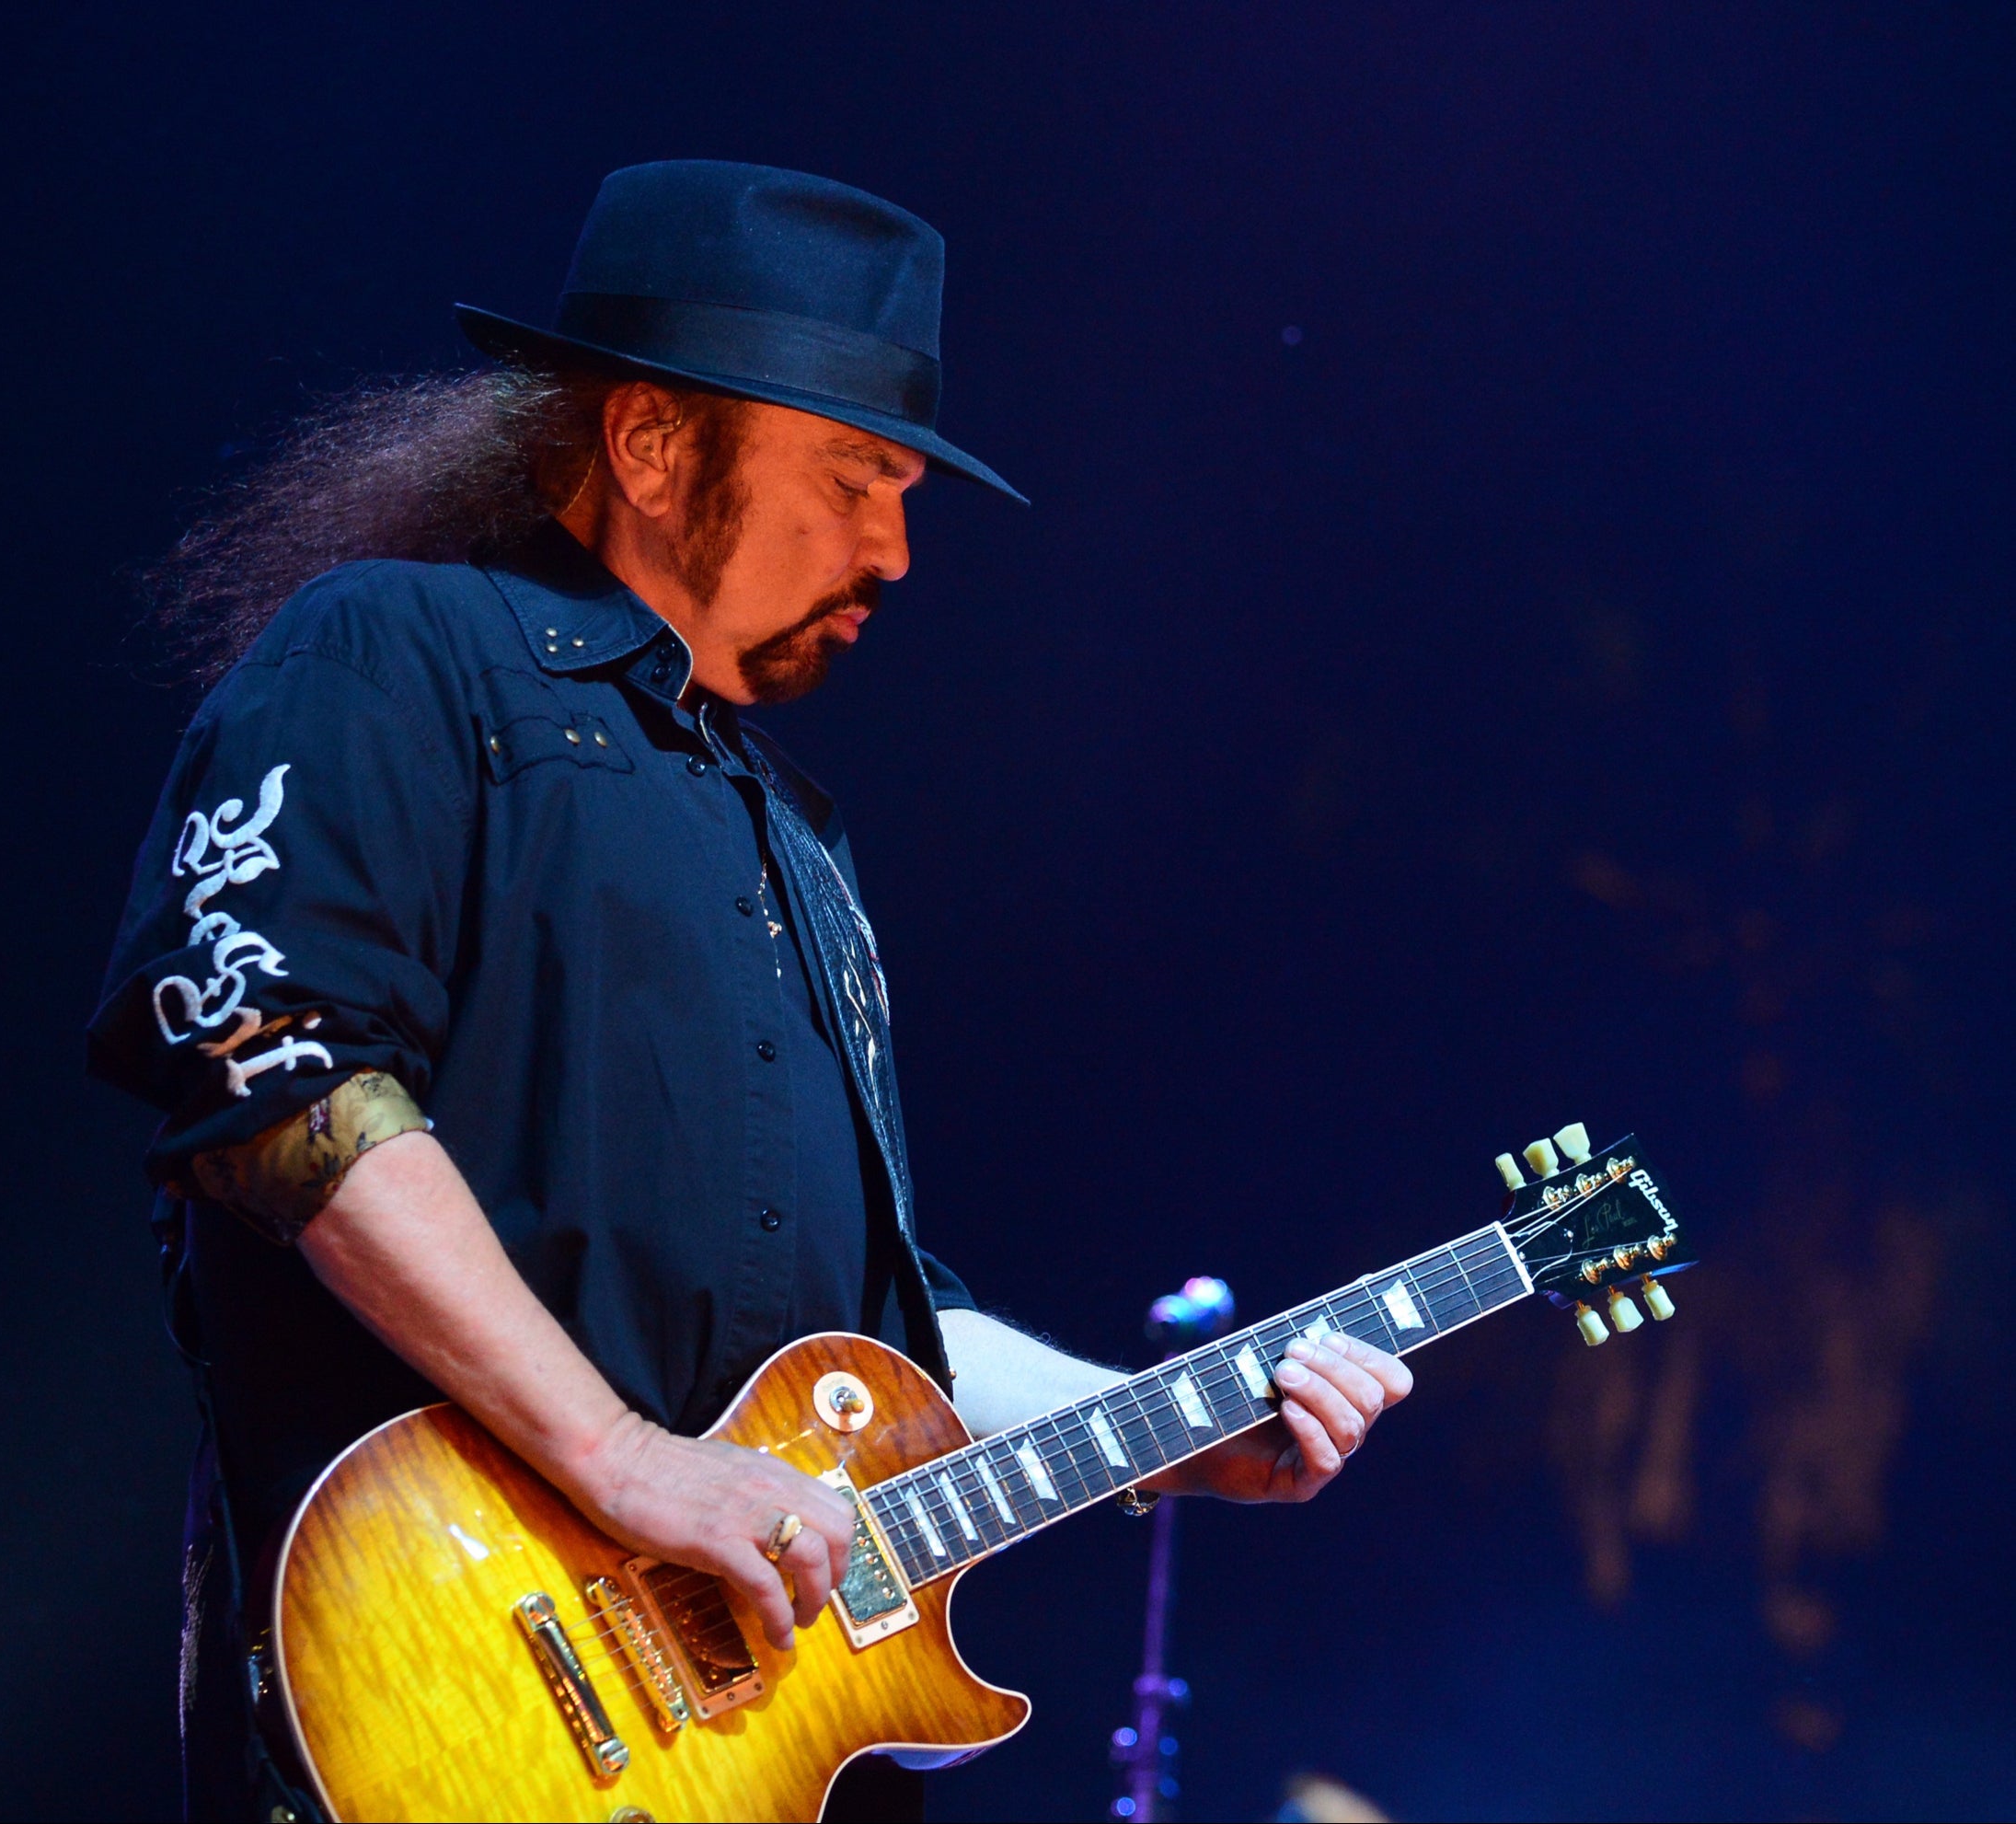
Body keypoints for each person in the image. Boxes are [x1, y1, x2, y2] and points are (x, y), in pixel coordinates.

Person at [89, 160, 1412, 1823]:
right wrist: (626, 1459)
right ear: (651, 444)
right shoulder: (395, 653)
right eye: (857, 480)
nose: (898, 549)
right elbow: (267, 1062)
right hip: (448, 1700)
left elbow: (886, 1327)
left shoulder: (797, 836)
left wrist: (1180, 1428)